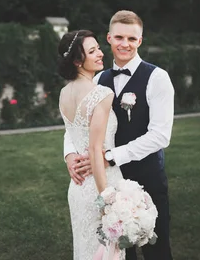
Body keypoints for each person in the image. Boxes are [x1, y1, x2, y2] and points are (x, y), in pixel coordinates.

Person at [64, 10, 175, 260]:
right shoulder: (99, 78)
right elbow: (78, 122)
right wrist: (69, 154)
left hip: (147, 179)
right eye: (119, 37)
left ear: (140, 41)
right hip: (109, 182)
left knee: (156, 250)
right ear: (109, 38)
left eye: (132, 39)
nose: (125, 44)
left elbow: (160, 136)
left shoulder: (157, 78)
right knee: (119, 253)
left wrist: (111, 156)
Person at [58, 29, 125, 260]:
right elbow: (96, 150)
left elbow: (73, 134)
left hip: (77, 188)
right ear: (77, 61)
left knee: (86, 252)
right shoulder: (102, 94)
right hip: (102, 183)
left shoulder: (64, 93)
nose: (100, 54)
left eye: (98, 48)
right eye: (92, 51)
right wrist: (106, 199)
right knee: (108, 254)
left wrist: (69, 157)